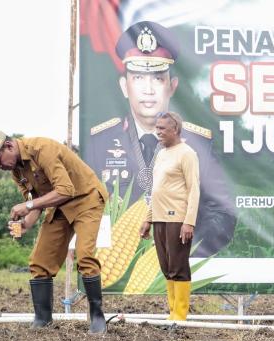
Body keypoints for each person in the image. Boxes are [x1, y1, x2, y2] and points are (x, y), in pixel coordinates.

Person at [86, 20, 235, 257]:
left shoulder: (198, 144)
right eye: (138, 78)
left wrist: (182, 247)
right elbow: (86, 208)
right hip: (116, 267)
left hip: (179, 255)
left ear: (172, 86)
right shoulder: (100, 142)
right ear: (125, 86)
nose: (148, 89)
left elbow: (222, 214)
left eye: (157, 78)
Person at [0, 130, 108, 333]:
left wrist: (26, 207)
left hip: (86, 199)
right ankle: (42, 319)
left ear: (9, 147)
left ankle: (97, 317)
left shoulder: (42, 149)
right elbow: (36, 201)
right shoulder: (17, 171)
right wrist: (26, 223)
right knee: (39, 261)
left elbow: (65, 189)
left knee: (85, 255)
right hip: (59, 206)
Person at [138, 112, 200, 321]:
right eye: (157, 127)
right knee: (166, 267)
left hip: (178, 219)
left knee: (178, 267)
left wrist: (188, 222)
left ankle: (180, 316)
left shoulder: (187, 153)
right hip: (159, 219)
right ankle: (172, 313)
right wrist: (148, 218)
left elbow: (194, 190)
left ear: (175, 129)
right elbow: (156, 190)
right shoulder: (162, 153)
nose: (158, 132)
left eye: (163, 128)